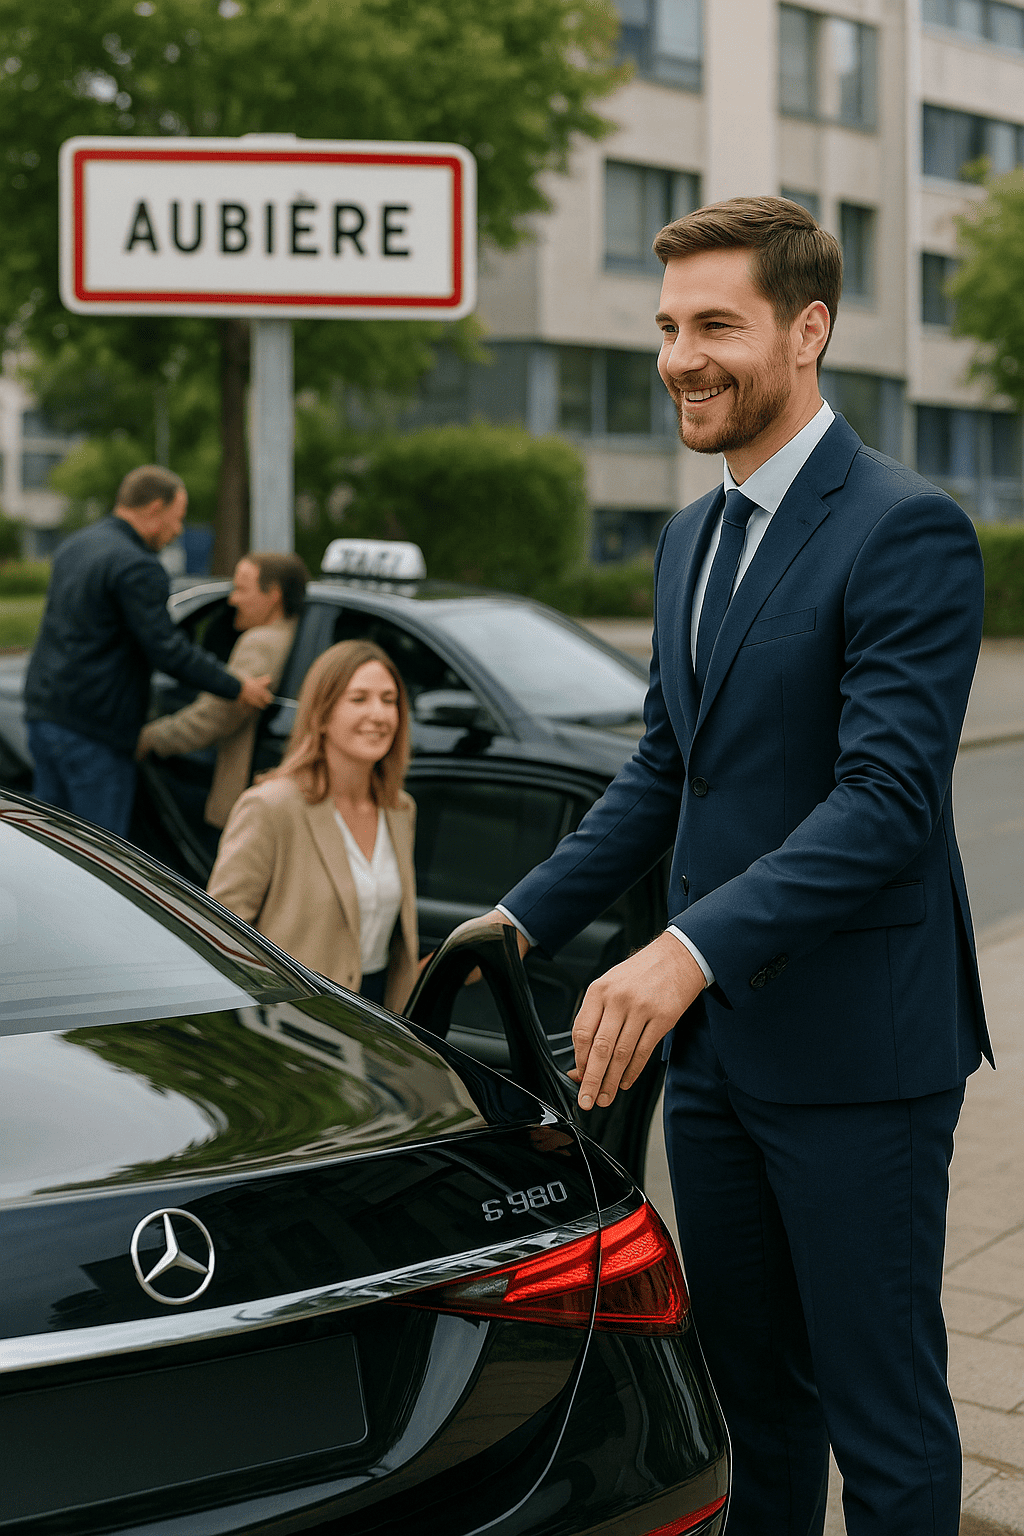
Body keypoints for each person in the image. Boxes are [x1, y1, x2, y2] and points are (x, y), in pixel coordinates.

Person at [483, 198, 990, 1536]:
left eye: (716, 325)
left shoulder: (907, 527)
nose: (679, 359)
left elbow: (885, 804)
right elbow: (668, 771)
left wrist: (680, 952)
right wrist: (509, 927)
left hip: (861, 1058)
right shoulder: (687, 539)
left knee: (882, 1414)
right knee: (752, 1401)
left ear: (808, 330)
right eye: (666, 328)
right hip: (715, 1064)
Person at [24, 465, 273, 838]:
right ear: (156, 508)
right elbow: (168, 650)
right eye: (178, 517)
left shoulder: (76, 545)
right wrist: (237, 686)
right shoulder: (138, 566)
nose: (179, 530)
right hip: (96, 733)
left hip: (45, 717)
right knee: (101, 854)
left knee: (52, 845)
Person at [208, 639, 419, 1010]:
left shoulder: (400, 810)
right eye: (359, 699)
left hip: (380, 1019)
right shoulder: (270, 807)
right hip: (292, 1019)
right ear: (321, 714)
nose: (379, 714)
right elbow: (220, 939)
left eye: (389, 700)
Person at [136, 551, 309, 836]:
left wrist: (151, 739)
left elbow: (215, 715)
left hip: (240, 793)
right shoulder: (299, 635)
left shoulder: (260, 642)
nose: (232, 600)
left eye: (241, 589)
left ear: (273, 595)